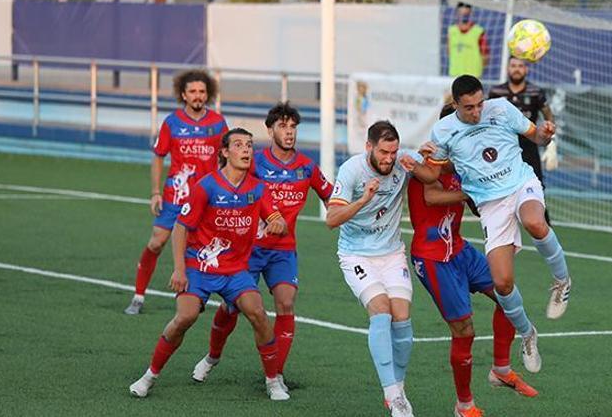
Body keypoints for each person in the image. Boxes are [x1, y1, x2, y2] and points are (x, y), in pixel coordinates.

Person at [426, 75, 573, 375]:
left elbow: (536, 137)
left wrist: (546, 134)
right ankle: (528, 333)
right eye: (469, 108)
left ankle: (562, 282)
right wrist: (424, 160)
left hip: (520, 183)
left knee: (534, 221)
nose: (477, 111)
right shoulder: (443, 131)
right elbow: (438, 169)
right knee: (502, 283)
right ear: (455, 104)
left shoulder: (502, 109)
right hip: (490, 205)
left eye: (480, 104)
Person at [129, 128, 290, 400]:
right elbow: (181, 228)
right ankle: (149, 376)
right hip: (199, 268)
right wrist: (180, 269)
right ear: (225, 152)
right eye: (239, 145)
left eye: (249, 145)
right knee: (185, 317)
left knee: (259, 313)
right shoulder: (206, 186)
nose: (246, 150)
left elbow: (279, 221)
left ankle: (273, 381)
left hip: (235, 270)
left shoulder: (258, 188)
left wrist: (277, 223)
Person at [191, 102, 334, 396]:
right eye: (282, 126)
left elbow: (331, 197)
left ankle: (276, 375)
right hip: (248, 250)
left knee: (286, 303)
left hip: (283, 250)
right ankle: (212, 356)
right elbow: (224, 184)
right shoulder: (252, 160)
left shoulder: (306, 167)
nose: (289, 132)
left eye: (293, 127)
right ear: (270, 131)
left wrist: (352, 208)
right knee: (230, 308)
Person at [409, 104, 538, 417]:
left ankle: (501, 369)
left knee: (506, 293)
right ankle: (464, 405)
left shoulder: (464, 163)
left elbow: (477, 206)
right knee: (464, 330)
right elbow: (431, 196)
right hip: (432, 257)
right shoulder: (427, 160)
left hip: (460, 249)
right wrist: (470, 193)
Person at [325, 121, 439, 417]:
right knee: (382, 310)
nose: (389, 158)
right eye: (384, 152)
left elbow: (431, 176)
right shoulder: (352, 170)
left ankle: (397, 391)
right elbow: (332, 218)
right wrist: (363, 199)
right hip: (356, 256)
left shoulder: (401, 159)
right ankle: (393, 395)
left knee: (402, 317)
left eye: (393, 151)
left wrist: (419, 162)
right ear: (369, 147)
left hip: (392, 254)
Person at [124, 70, 228, 315]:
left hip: (206, 198)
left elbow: (227, 158)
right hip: (176, 196)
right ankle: (138, 295)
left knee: (205, 248)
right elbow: (159, 156)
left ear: (208, 94)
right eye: (192, 91)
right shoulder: (172, 122)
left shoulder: (218, 123)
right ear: (183, 94)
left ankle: (197, 297)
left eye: (202, 91)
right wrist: (155, 192)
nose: (197, 96)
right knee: (157, 241)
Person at [488, 56, 556, 224]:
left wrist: (552, 141)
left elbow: (548, 116)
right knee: (500, 183)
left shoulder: (535, 92)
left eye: (520, 66)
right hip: (503, 147)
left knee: (537, 182)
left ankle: (542, 223)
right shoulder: (496, 92)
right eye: (513, 66)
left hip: (529, 145)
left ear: (526, 69)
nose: (516, 69)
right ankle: (502, 220)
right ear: (507, 69)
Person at [447, 2, 490, 78]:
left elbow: (486, 56)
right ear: (457, 14)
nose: (464, 16)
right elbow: (449, 52)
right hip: (455, 75)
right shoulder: (451, 31)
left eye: (466, 14)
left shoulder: (478, 31)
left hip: (473, 75)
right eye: (461, 13)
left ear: (471, 14)